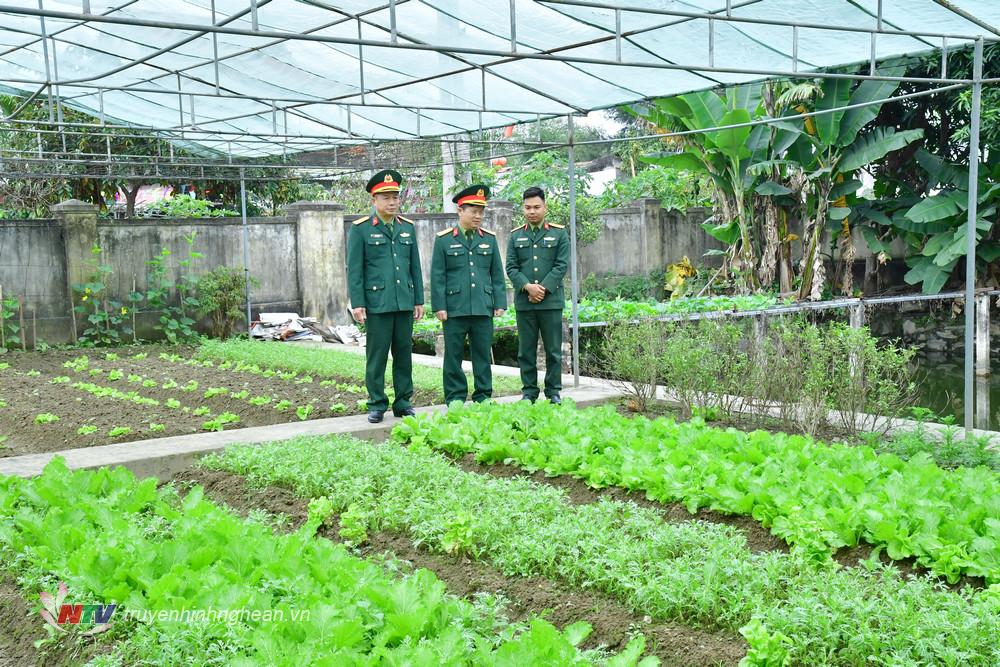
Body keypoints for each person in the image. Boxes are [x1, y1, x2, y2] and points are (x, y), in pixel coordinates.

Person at [346, 169, 424, 423]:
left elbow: (415, 267)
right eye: (386, 197)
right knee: (377, 356)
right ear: (374, 200)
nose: (392, 202)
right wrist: (358, 303)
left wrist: (418, 300)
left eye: (395, 197)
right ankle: (377, 404)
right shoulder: (361, 229)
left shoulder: (407, 228)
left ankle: (403, 402)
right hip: (377, 304)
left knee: (404, 354)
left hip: (403, 301)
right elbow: (355, 269)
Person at [431, 184, 507, 404]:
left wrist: (499, 302)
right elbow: (438, 275)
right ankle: (455, 397)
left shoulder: (489, 239)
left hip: (483, 306)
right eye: (473, 211)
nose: (478, 216)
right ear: (460, 211)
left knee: (482, 354)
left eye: (481, 211)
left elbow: (496, 273)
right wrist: (439, 306)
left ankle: (483, 395)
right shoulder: (444, 239)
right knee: (453, 356)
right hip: (455, 307)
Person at [505, 186, 569, 404]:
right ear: (523, 209)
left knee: (553, 350)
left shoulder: (559, 233)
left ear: (545, 207)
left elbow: (561, 266)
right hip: (525, 302)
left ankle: (553, 392)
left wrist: (542, 289)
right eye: (527, 207)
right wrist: (528, 287)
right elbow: (511, 267)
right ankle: (529, 392)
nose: (532, 211)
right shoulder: (515, 236)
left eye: (536, 207)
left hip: (550, 302)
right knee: (526, 351)